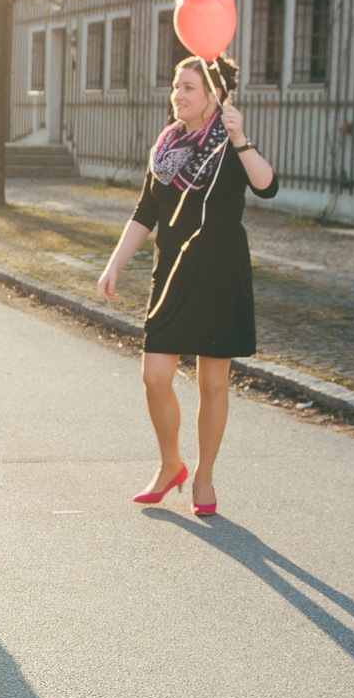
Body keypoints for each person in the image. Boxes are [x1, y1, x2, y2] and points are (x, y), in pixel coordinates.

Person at [96, 55, 278, 517]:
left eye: (189, 88)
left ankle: (204, 476)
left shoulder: (227, 147)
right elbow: (145, 212)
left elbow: (267, 186)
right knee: (154, 375)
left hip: (219, 272)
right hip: (172, 271)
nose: (177, 94)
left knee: (213, 381)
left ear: (214, 97)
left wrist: (240, 140)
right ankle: (170, 464)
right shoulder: (167, 148)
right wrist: (116, 263)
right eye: (176, 86)